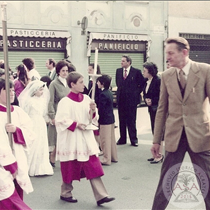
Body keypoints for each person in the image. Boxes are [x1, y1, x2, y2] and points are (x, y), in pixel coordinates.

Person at [151, 37, 210, 210]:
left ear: (184, 52)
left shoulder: (205, 71)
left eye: (170, 53)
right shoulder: (166, 75)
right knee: (166, 182)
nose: (167, 57)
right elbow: (161, 109)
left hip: (200, 136)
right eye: (166, 53)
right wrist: (156, 140)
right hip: (174, 136)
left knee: (207, 179)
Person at [55, 72, 115, 206]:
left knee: (93, 165)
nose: (84, 84)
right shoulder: (65, 102)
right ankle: (66, 192)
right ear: (72, 84)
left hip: (85, 138)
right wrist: (76, 124)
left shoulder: (87, 99)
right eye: (81, 82)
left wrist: (92, 111)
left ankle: (101, 195)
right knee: (70, 166)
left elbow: (92, 119)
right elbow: (60, 120)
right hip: (71, 138)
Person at [0, 78, 34, 209]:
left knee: (17, 194)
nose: (12, 93)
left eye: (13, 89)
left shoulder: (18, 112)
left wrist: (16, 131)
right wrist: (10, 164)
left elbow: (30, 133)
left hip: (19, 157)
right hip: (4, 163)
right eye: (7, 90)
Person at [18, 80, 54, 176]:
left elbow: (44, 113)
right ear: (34, 90)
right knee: (33, 142)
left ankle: (41, 167)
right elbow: (25, 113)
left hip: (40, 122)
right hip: (32, 122)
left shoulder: (42, 101)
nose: (42, 92)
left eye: (42, 90)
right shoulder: (29, 101)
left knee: (41, 142)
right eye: (40, 90)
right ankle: (29, 166)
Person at [115, 55, 145, 147]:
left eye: (123, 61)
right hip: (121, 100)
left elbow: (142, 83)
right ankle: (122, 138)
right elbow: (118, 83)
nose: (121, 63)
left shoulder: (136, 72)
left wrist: (136, 93)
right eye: (121, 61)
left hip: (131, 100)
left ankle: (133, 139)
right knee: (121, 119)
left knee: (131, 120)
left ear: (129, 62)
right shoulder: (118, 71)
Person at [48, 60, 70, 167]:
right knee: (57, 137)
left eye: (66, 70)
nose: (65, 73)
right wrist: (52, 116)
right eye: (63, 71)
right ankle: (52, 155)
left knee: (67, 136)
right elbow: (50, 101)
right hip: (58, 113)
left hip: (69, 113)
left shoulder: (69, 83)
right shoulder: (54, 84)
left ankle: (66, 158)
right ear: (58, 72)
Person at [142, 62, 163, 164]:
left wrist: (152, 101)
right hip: (151, 109)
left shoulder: (158, 81)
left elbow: (161, 95)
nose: (143, 73)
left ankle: (159, 155)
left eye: (144, 71)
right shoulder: (147, 81)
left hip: (158, 109)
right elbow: (145, 94)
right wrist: (146, 99)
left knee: (158, 132)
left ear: (150, 71)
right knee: (154, 131)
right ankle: (155, 154)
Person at [97, 74, 118, 165]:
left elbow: (101, 109)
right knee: (111, 139)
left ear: (102, 83)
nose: (97, 83)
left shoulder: (102, 94)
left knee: (105, 140)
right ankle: (113, 157)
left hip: (104, 120)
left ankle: (106, 159)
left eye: (98, 82)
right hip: (110, 119)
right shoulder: (109, 92)